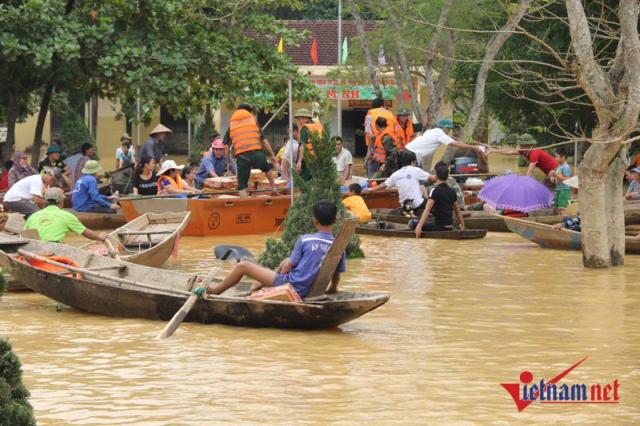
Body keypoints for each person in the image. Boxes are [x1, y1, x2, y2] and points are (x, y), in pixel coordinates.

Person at [206, 200, 346, 298]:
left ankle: (215, 291)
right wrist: (332, 289)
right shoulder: (338, 246)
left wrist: (275, 282)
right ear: (335, 221)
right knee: (286, 260)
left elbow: (287, 268)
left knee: (242, 266)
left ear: (314, 220)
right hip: (311, 289)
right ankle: (259, 284)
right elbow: (337, 275)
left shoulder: (305, 239)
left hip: (293, 286)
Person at [223, 103, 278, 197]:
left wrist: (228, 161)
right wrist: (272, 155)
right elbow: (264, 141)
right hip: (257, 154)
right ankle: (274, 188)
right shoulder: (254, 123)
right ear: (249, 113)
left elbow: (226, 147)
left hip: (242, 157)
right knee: (267, 168)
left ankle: (245, 204)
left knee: (242, 186)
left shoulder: (232, 126)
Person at [25, 187, 108, 243]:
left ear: (46, 201)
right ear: (61, 202)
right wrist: (100, 238)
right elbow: (87, 234)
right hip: (54, 248)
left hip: (34, 249)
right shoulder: (67, 216)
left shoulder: (33, 216)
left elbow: (24, 235)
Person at [365, 150, 433, 216]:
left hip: (406, 206)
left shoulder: (396, 174)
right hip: (417, 204)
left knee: (422, 187)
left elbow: (384, 185)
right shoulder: (416, 170)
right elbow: (433, 178)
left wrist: (372, 189)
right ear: (413, 161)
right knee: (429, 197)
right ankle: (427, 212)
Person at [405, 119, 484, 171]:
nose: (449, 131)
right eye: (449, 129)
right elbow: (456, 143)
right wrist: (473, 147)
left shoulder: (431, 131)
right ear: (445, 128)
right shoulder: (439, 133)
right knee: (415, 178)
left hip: (408, 152)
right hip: (412, 154)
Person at [414, 165, 465, 236]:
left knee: (411, 222)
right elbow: (457, 211)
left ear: (436, 176)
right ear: (447, 177)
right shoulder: (452, 191)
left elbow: (427, 210)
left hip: (439, 227)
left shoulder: (434, 190)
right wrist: (462, 225)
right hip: (450, 227)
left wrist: (419, 227)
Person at [364, 97, 396, 177]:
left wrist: (370, 150)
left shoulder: (370, 114)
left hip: (376, 146)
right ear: (383, 105)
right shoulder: (390, 114)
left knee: (372, 170)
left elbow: (369, 133)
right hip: (389, 145)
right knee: (386, 172)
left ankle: (373, 185)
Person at [294, 108, 324, 181]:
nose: (298, 121)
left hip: (308, 159)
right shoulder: (319, 126)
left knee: (302, 181)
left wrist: (299, 162)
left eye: (299, 119)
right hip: (319, 157)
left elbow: (302, 146)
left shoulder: (305, 128)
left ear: (306, 118)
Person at [551, 147, 572, 215]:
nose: (555, 158)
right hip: (558, 189)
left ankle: (566, 222)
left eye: (557, 157)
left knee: (562, 209)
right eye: (555, 156)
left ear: (563, 157)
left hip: (564, 190)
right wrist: (553, 178)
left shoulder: (565, 167)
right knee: (555, 208)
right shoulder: (559, 167)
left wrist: (556, 175)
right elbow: (558, 178)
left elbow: (567, 179)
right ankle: (556, 221)